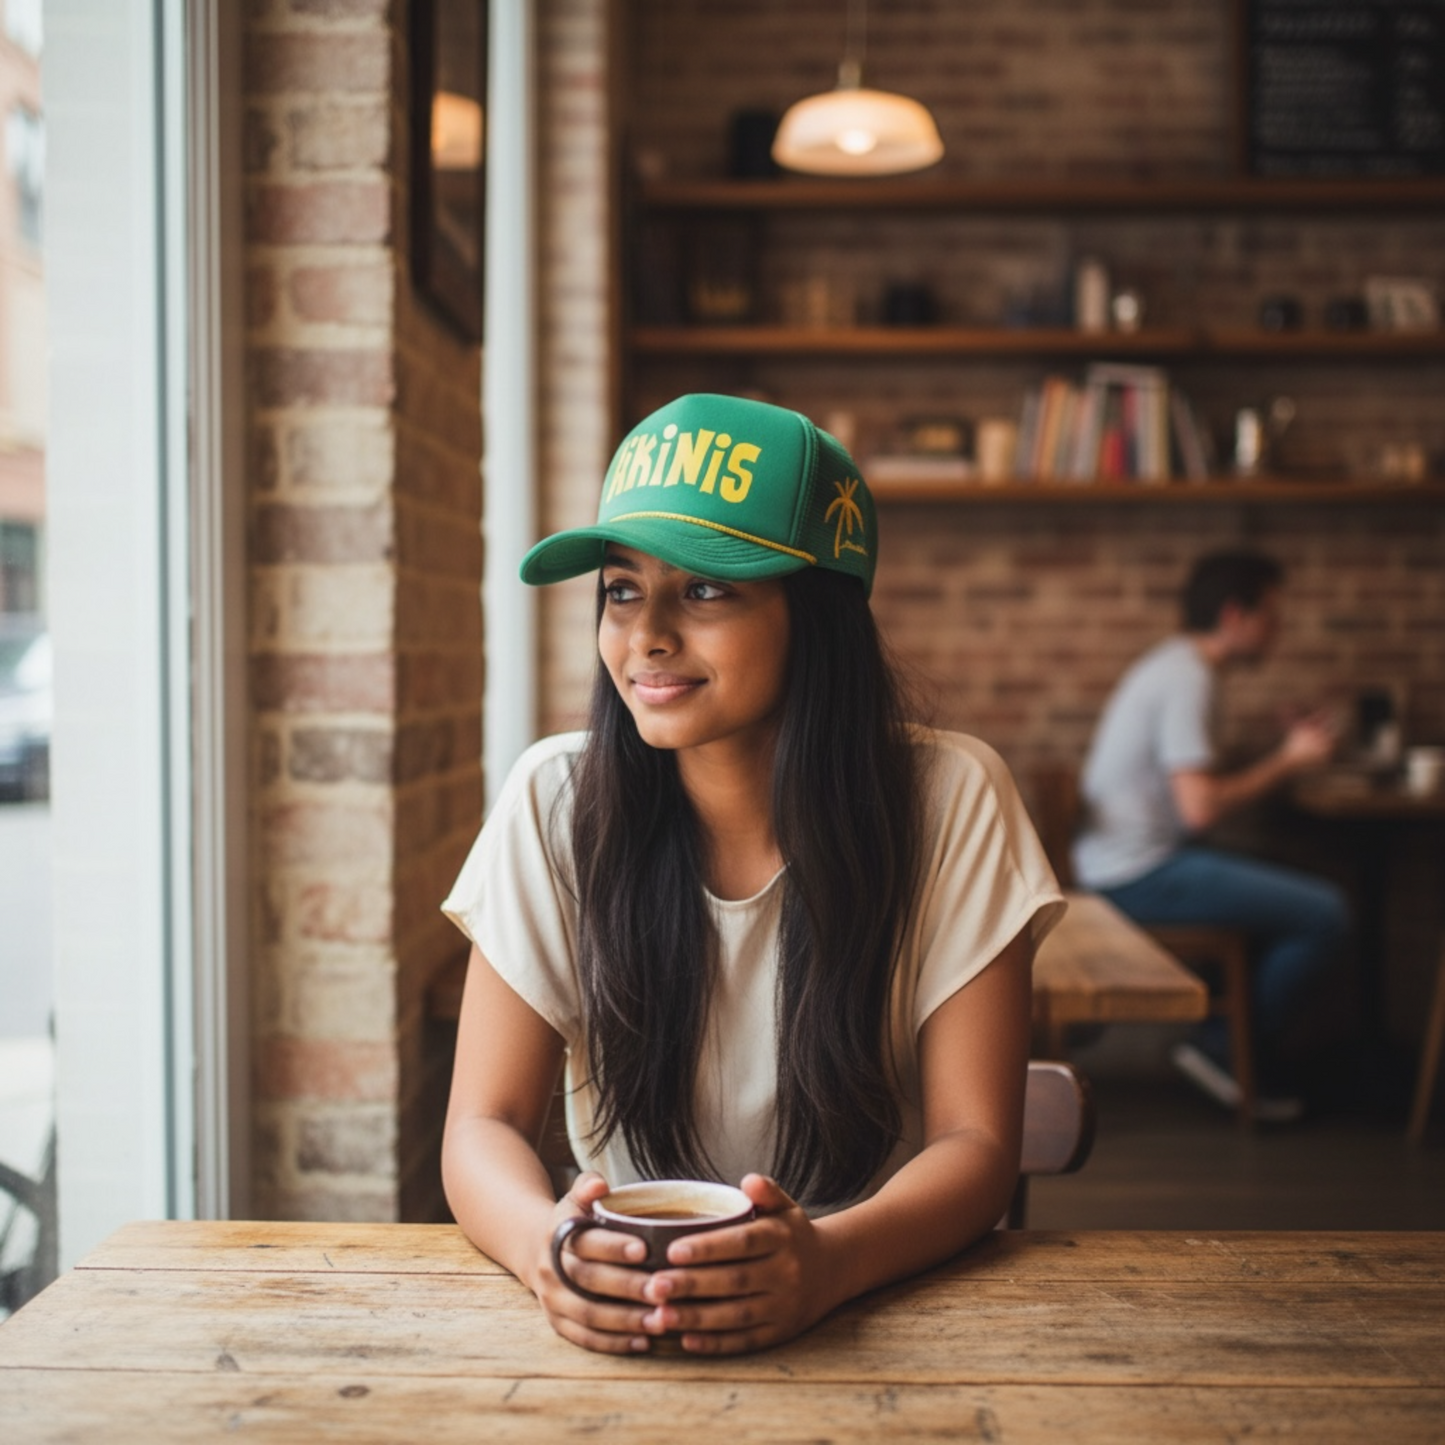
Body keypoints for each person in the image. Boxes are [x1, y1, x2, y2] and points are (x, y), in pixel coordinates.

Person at [441, 393, 1064, 1356]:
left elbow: (975, 1146)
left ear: (814, 615)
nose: (644, 634)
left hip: (882, 1309)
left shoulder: (950, 795)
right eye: (620, 588)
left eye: (703, 590)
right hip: (628, 1322)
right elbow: (483, 1122)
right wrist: (548, 1249)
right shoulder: (554, 798)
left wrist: (826, 1264)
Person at [1071, 549, 1349, 1121]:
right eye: (1271, 616)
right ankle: (1222, 1049)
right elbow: (1199, 810)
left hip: (1121, 861)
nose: (1278, 630)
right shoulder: (1189, 679)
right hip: (1133, 875)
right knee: (1326, 912)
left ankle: (1230, 1043)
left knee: (1288, 882)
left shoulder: (1180, 667)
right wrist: (1290, 761)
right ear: (1232, 615)